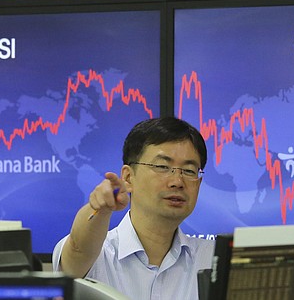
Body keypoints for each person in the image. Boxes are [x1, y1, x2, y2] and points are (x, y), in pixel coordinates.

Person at [52, 117, 214, 299]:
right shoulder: (100, 254)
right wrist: (99, 209)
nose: (177, 181)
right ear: (128, 177)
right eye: (162, 166)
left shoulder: (214, 259)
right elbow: (77, 248)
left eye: (189, 171)